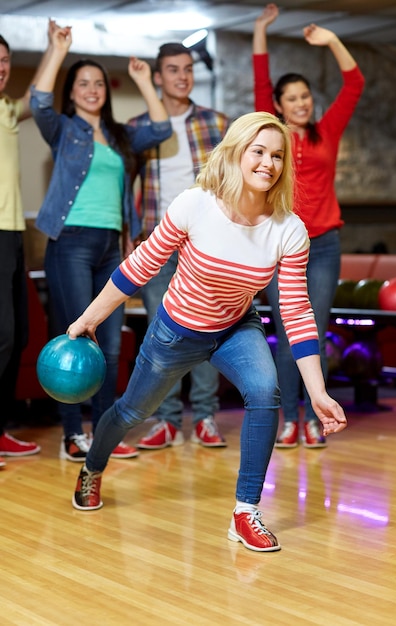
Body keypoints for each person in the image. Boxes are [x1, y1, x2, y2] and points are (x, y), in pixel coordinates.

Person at [68, 111, 348, 552]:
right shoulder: (195, 205)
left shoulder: (289, 229)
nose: (267, 163)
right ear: (237, 153)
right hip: (176, 330)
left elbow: (296, 310)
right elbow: (141, 266)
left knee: (265, 390)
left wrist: (316, 392)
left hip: (236, 328)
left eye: (277, 155)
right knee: (131, 413)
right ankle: (93, 468)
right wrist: (90, 318)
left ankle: (246, 511)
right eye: (258, 151)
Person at [30, 23, 172, 462]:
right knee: (75, 335)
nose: (92, 90)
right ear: (71, 93)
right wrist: (58, 50)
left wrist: (147, 81)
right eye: (82, 84)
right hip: (69, 243)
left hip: (113, 246)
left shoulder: (120, 136)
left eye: (97, 84)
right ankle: (73, 434)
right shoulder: (63, 129)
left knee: (110, 347)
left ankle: (105, 434)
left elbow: (163, 128)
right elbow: (38, 101)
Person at [253, 3, 365, 449]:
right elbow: (260, 78)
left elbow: (354, 84)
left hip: (324, 245)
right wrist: (261, 29)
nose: (301, 103)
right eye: (291, 98)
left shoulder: (328, 131)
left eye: (305, 96)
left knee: (312, 332)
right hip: (281, 246)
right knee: (285, 334)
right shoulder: (272, 136)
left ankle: (315, 418)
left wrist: (332, 40)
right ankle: (287, 420)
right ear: (278, 106)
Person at [128, 42, 230, 451]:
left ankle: (205, 416)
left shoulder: (218, 123)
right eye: (173, 70)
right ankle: (167, 420)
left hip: (205, 244)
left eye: (187, 69)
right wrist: (130, 235)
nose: (182, 76)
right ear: (157, 77)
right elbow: (124, 187)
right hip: (156, 241)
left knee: (208, 331)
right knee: (161, 334)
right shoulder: (139, 128)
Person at [0, 25, 58, 466]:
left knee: (17, 336)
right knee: (2, 335)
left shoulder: (5, 109)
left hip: (13, 234)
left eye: (4, 62)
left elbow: (35, 96)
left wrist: (54, 49)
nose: (1, 69)